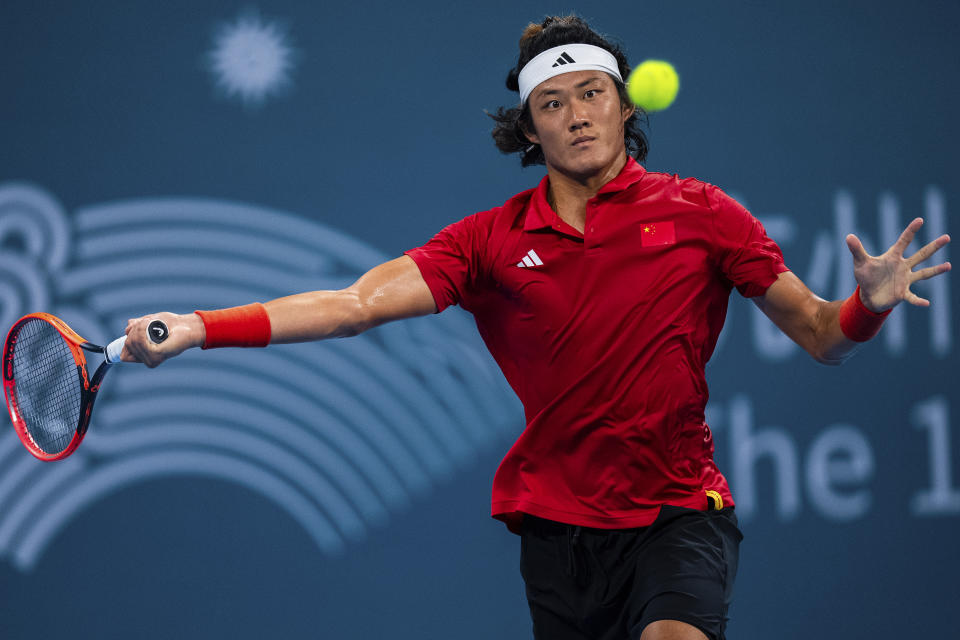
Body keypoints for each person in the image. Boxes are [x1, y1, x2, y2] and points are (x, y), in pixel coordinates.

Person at [121, 15, 951, 640]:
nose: (577, 115)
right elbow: (354, 305)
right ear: (530, 130)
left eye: (592, 93)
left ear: (624, 105)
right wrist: (199, 326)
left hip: (678, 512)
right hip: (557, 534)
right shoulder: (487, 242)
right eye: (551, 104)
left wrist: (868, 306)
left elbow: (818, 333)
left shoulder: (704, 214)